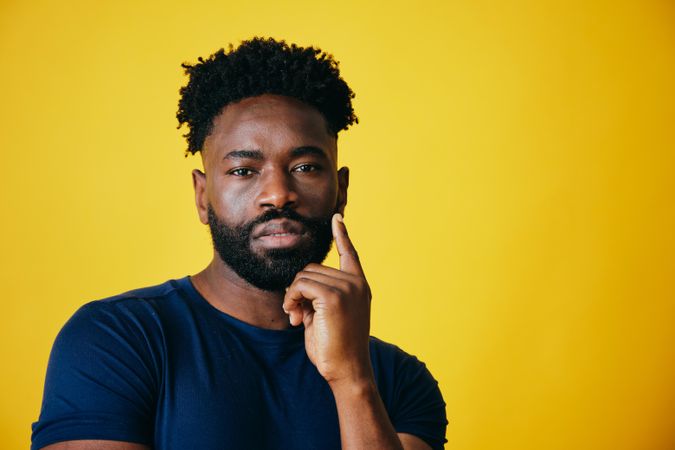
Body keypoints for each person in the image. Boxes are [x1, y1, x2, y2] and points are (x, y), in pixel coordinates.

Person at [32, 37, 448, 450]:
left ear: (340, 190)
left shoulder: (396, 380)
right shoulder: (115, 340)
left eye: (304, 167)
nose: (278, 193)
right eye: (244, 171)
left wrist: (353, 380)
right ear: (202, 195)